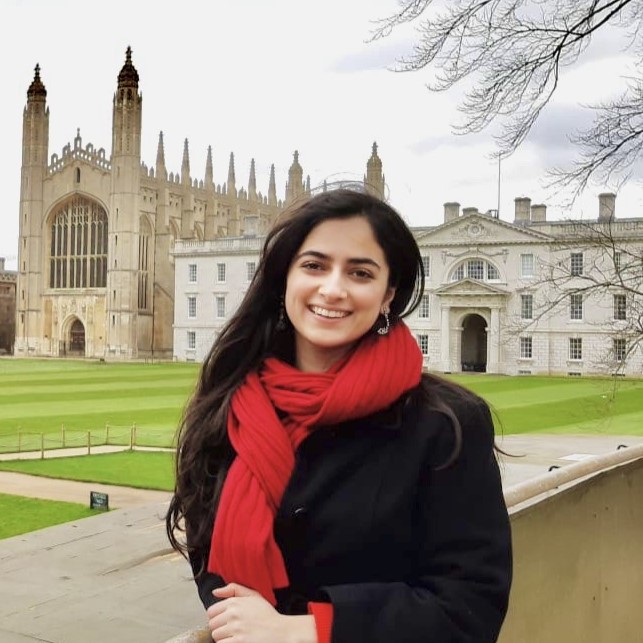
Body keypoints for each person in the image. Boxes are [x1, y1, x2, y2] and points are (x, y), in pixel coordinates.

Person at [166, 188, 512, 643]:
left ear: (388, 293)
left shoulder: (446, 424)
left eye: (360, 272)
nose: (333, 288)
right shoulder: (229, 403)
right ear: (284, 278)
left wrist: (309, 631)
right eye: (314, 265)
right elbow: (206, 548)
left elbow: (470, 606)